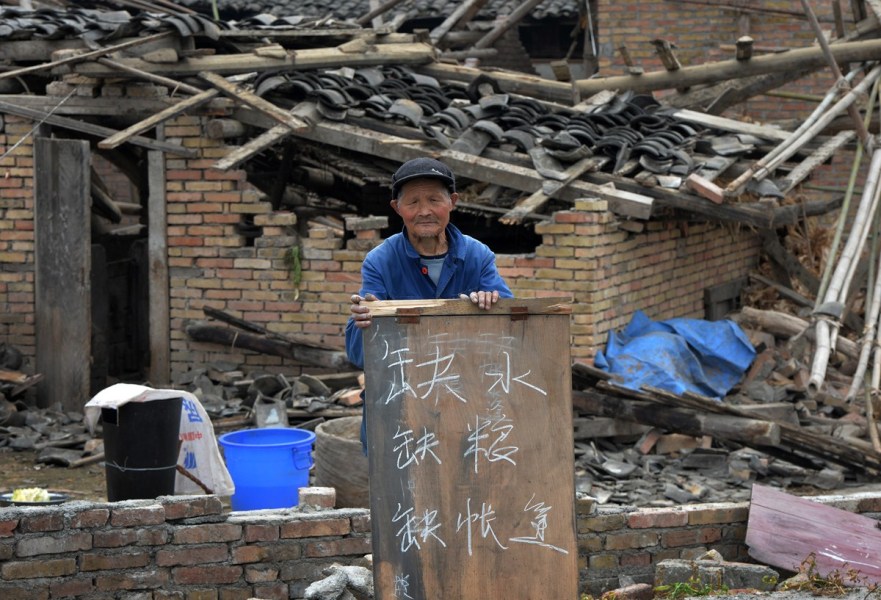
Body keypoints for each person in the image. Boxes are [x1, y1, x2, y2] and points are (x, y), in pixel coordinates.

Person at [345, 157, 513, 450]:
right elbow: (359, 355)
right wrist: (365, 321)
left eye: (434, 200)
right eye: (413, 202)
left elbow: (513, 335)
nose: (424, 211)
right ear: (398, 208)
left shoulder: (477, 256)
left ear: (453, 202)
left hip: (467, 408)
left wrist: (492, 307)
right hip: (401, 410)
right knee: (401, 494)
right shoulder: (381, 261)